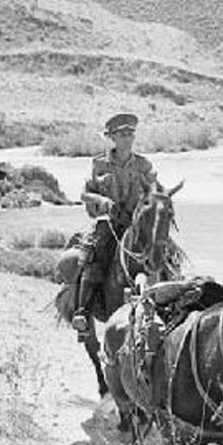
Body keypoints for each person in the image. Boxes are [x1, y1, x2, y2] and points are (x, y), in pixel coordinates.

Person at [72, 113, 161, 336]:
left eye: (131, 133)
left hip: (136, 222)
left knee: (163, 252)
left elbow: (155, 189)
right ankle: (82, 313)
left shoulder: (143, 164)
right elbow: (84, 194)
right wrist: (100, 200)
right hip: (109, 222)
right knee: (94, 256)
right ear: (112, 137)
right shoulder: (99, 163)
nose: (128, 138)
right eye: (122, 134)